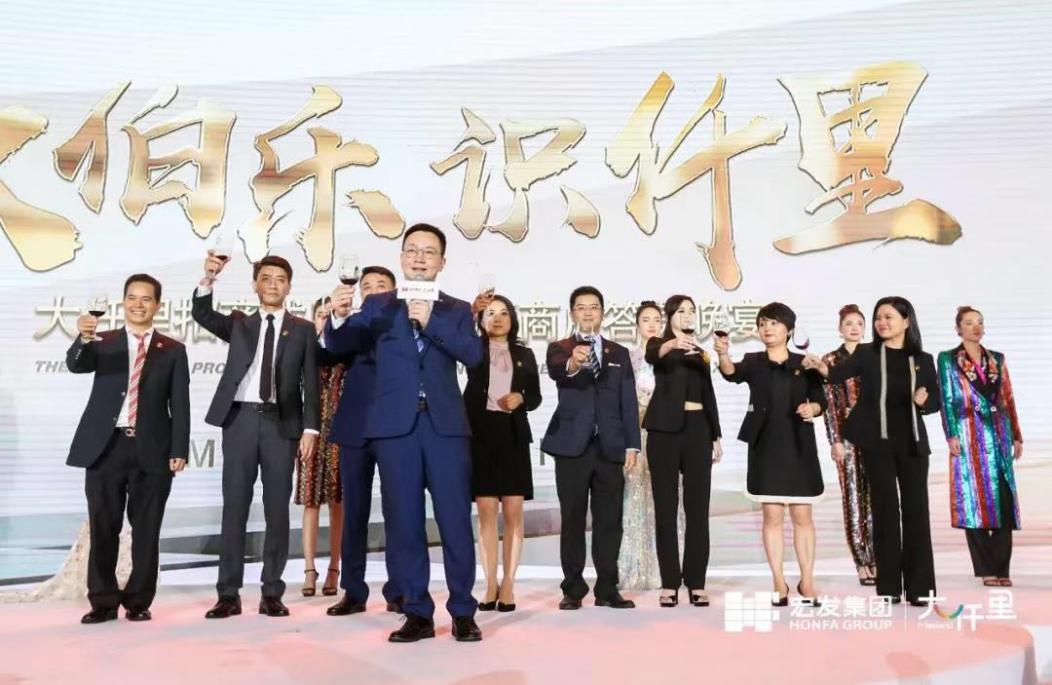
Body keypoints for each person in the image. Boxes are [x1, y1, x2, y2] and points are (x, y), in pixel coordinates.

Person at [327, 224, 483, 643]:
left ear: (441, 262)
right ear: (401, 258)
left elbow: (473, 355)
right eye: (412, 250)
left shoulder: (457, 308)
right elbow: (342, 343)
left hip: (445, 428)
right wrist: (338, 317)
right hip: (394, 429)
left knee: (454, 520)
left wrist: (431, 322)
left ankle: (463, 611)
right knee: (404, 522)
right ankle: (417, 612)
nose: (419, 258)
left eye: (428, 252)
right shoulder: (378, 305)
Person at [193, 254, 320, 619]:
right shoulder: (239, 324)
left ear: (289, 286)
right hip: (240, 420)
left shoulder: (303, 329)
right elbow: (202, 314)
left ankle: (272, 591)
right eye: (266, 278)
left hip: (282, 424)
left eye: (280, 278)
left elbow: (311, 382)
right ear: (255, 285)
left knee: (277, 510)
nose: (273, 284)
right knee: (235, 506)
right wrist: (208, 278)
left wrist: (310, 428)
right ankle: (228, 594)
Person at [65, 274, 189, 623]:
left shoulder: (173, 349)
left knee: (147, 529)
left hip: (152, 448)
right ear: (123, 302)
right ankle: (103, 601)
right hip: (105, 447)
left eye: (146, 299)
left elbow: (180, 404)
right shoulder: (102, 341)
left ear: (157, 305)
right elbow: (76, 364)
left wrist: (179, 448)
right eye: (132, 297)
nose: (138, 304)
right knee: (104, 526)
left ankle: (138, 601)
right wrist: (83, 337)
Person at [804, 296, 941, 606]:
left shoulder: (922, 359)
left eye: (889, 317)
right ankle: (889, 586)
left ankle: (920, 589)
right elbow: (835, 374)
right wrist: (819, 366)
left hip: (912, 444)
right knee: (885, 511)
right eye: (878, 317)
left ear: (906, 321)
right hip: (877, 444)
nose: (882, 322)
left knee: (917, 513)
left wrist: (924, 401)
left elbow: (935, 402)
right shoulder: (867, 353)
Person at [716, 302, 825, 606]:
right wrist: (723, 353)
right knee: (772, 516)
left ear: (789, 330)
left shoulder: (806, 363)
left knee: (802, 515)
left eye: (774, 323)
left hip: (799, 445)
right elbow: (731, 372)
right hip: (765, 445)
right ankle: (779, 581)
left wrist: (812, 408)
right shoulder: (753, 361)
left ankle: (807, 581)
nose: (767, 328)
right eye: (763, 323)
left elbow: (821, 401)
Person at [541, 286, 640, 611]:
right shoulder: (560, 348)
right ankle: (572, 589)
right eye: (581, 307)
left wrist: (632, 445)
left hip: (610, 447)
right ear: (572, 313)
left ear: (602, 313)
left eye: (593, 307)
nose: (587, 312)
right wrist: (574, 361)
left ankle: (607, 589)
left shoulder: (618, 353)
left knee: (610, 520)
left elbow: (628, 400)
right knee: (572, 519)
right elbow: (558, 370)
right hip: (572, 447)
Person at [325, 265, 405, 617]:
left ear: (395, 291)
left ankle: (400, 589)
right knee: (354, 512)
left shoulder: (407, 321)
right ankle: (353, 591)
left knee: (398, 511)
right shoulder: (354, 324)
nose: (373, 290)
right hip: (355, 427)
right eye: (367, 285)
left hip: (396, 427)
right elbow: (334, 346)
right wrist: (337, 316)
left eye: (381, 285)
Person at [463, 295, 542, 613]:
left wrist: (521, 397)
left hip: (512, 437)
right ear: (481, 321)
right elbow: (458, 338)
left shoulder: (524, 353)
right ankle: (489, 584)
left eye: (503, 313)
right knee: (485, 512)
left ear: (513, 319)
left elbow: (535, 395)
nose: (497, 318)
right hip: (480, 436)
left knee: (513, 512)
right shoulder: (473, 350)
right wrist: (471, 312)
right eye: (490, 313)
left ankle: (508, 583)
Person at [644, 295, 723, 607]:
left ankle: (697, 582)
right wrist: (673, 344)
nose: (688, 315)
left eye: (692, 311)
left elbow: (709, 392)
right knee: (665, 509)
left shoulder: (700, 352)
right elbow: (654, 355)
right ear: (670, 316)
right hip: (663, 433)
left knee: (698, 509)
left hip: (698, 431)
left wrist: (715, 434)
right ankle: (670, 583)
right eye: (681, 311)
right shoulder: (659, 343)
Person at [937, 306, 1023, 587]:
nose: (975, 327)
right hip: (969, 434)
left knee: (1004, 501)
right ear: (958, 329)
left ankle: (1002, 569)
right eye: (969, 322)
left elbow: (1008, 397)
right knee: (973, 502)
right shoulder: (948, 359)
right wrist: (951, 434)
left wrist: (1016, 435)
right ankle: (986, 569)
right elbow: (947, 398)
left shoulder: (997, 359)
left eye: (979, 322)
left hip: (998, 434)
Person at [820, 304, 877, 586]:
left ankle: (878, 557)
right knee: (853, 498)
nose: (854, 328)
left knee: (877, 498)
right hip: (848, 437)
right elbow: (830, 406)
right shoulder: (831, 360)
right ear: (840, 329)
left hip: (876, 437)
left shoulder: (875, 354)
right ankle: (861, 560)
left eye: (859, 324)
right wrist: (835, 440)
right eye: (849, 324)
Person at [295, 297, 345, 597]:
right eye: (319, 315)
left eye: (329, 315)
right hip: (309, 433)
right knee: (310, 501)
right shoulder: (303, 351)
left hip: (341, 433)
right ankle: (309, 569)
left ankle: (334, 569)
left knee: (339, 503)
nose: (324, 319)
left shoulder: (346, 348)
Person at [618, 301, 663, 591]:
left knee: (663, 500)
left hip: (664, 437)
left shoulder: (669, 359)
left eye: (656, 319)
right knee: (634, 499)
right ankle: (633, 567)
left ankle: (662, 568)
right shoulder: (627, 358)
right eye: (646, 319)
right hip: (635, 438)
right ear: (637, 324)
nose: (651, 324)